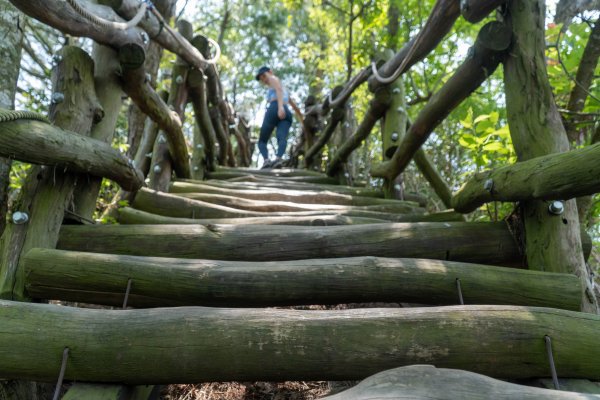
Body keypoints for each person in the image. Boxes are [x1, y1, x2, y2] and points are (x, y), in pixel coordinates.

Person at [255, 66, 302, 168]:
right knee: (281, 137)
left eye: (264, 75)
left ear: (270, 72)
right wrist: (302, 119)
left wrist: (280, 107)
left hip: (275, 108)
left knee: (262, 141)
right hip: (286, 112)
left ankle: (266, 160)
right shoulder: (285, 90)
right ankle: (278, 159)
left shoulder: (274, 79)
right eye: (261, 78)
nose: (264, 79)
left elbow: (278, 89)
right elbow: (293, 105)